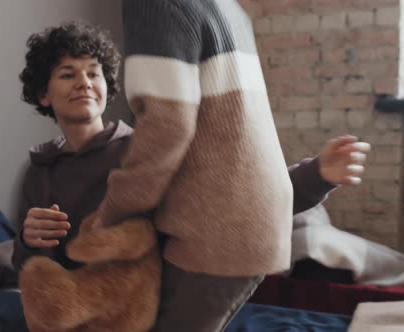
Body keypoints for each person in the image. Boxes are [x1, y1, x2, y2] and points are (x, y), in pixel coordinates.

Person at [91, 1, 371, 331]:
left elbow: (167, 127)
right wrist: (312, 178)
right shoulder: (231, 11)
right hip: (258, 228)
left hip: (218, 233)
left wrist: (110, 218)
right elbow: (232, 147)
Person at [0, 21, 129, 332]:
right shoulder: (39, 169)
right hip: (61, 304)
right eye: (68, 74)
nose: (84, 82)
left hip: (124, 303)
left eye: (93, 73)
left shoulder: (136, 151)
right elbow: (27, 268)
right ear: (44, 96)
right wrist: (28, 239)